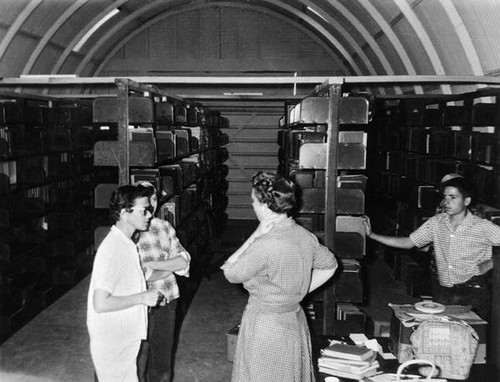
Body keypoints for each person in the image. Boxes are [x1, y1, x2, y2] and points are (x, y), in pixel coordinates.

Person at [221, 171, 338, 382]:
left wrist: (255, 234)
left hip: (266, 325)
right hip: (295, 321)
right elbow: (330, 265)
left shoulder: (265, 244)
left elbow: (230, 272)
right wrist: (298, 291)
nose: (253, 206)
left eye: (253, 202)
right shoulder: (304, 236)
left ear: (265, 206)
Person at [364, 176, 500, 319]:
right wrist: (372, 235)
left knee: (474, 335)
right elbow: (409, 242)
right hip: (445, 290)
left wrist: (492, 263)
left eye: (453, 197)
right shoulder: (436, 222)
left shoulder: (482, 226)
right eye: (445, 197)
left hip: (474, 290)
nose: (446, 202)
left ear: (466, 201)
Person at [87, 185, 163, 381]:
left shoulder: (125, 243)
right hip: (113, 340)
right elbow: (100, 303)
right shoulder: (113, 248)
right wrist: (143, 298)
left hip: (123, 336)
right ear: (124, 212)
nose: (149, 215)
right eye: (143, 210)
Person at [135, 181, 191, 382]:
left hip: (167, 300)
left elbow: (184, 262)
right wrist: (168, 265)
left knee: (162, 365)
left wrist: (153, 266)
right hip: (139, 304)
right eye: (145, 198)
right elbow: (139, 273)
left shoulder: (164, 227)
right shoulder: (131, 232)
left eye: (154, 198)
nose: (151, 204)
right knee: (137, 363)